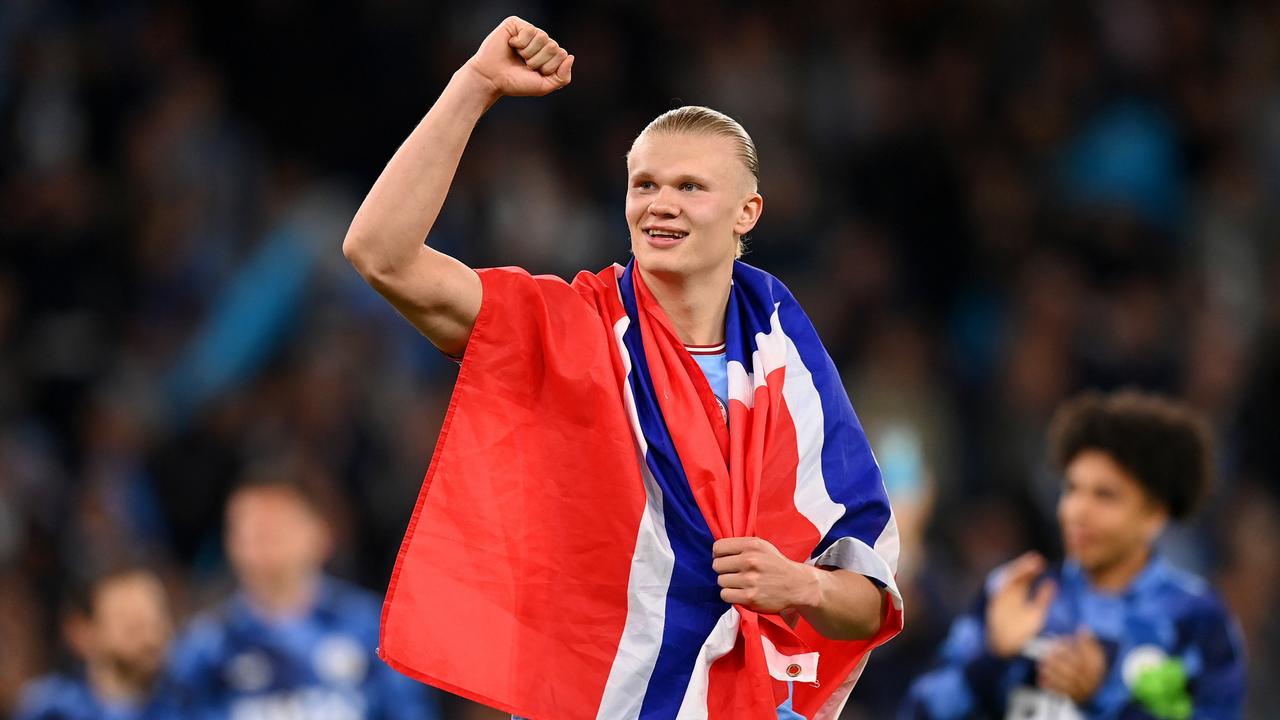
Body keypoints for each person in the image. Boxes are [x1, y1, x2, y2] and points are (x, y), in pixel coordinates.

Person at [343, 15, 902, 720]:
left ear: (746, 212)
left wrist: (802, 586)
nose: (660, 204)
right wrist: (476, 84)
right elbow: (380, 253)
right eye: (644, 185)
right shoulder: (568, 328)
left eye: (690, 187)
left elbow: (869, 601)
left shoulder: (791, 370)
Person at [904, 390, 1246, 719]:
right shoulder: (1019, 593)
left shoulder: (1197, 621)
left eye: (1105, 495)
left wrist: (1102, 695)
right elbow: (919, 711)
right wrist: (992, 657)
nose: (1077, 510)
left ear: (1154, 515)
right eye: (1071, 489)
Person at [167, 462, 439, 720]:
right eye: (249, 525)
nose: (264, 536)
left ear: (322, 533)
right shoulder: (205, 646)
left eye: (278, 522)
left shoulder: (374, 630)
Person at [14, 565, 184, 720]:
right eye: (133, 627)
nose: (151, 639)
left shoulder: (187, 704)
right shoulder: (52, 709)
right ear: (84, 634)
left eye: (156, 623)